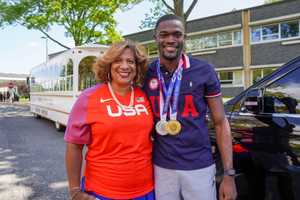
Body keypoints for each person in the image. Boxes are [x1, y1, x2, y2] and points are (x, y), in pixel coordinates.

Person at [143, 14, 237, 200]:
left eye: (177, 34)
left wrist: (228, 174)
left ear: (184, 38)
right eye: (164, 34)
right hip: (161, 167)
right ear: (155, 38)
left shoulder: (204, 70)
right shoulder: (146, 73)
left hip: (199, 167)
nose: (170, 39)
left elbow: (220, 122)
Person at [65, 40, 155, 200]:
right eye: (118, 61)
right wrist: (74, 190)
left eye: (130, 61)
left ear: (137, 66)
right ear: (108, 65)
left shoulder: (144, 95)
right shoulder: (88, 97)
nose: (125, 66)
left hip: (146, 190)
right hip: (102, 192)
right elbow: (74, 146)